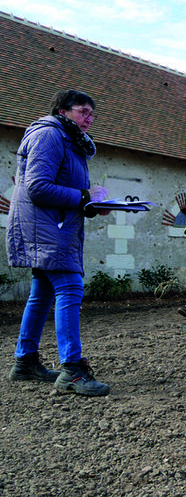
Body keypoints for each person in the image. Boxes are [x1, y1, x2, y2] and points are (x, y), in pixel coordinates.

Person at [6, 89, 111, 396]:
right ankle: (73, 372)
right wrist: (85, 197)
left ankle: (25, 362)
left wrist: (91, 204)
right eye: (83, 111)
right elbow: (37, 187)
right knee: (69, 286)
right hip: (48, 230)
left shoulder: (68, 139)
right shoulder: (50, 136)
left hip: (54, 226)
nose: (89, 118)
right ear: (63, 111)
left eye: (92, 113)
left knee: (42, 293)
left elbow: (63, 191)